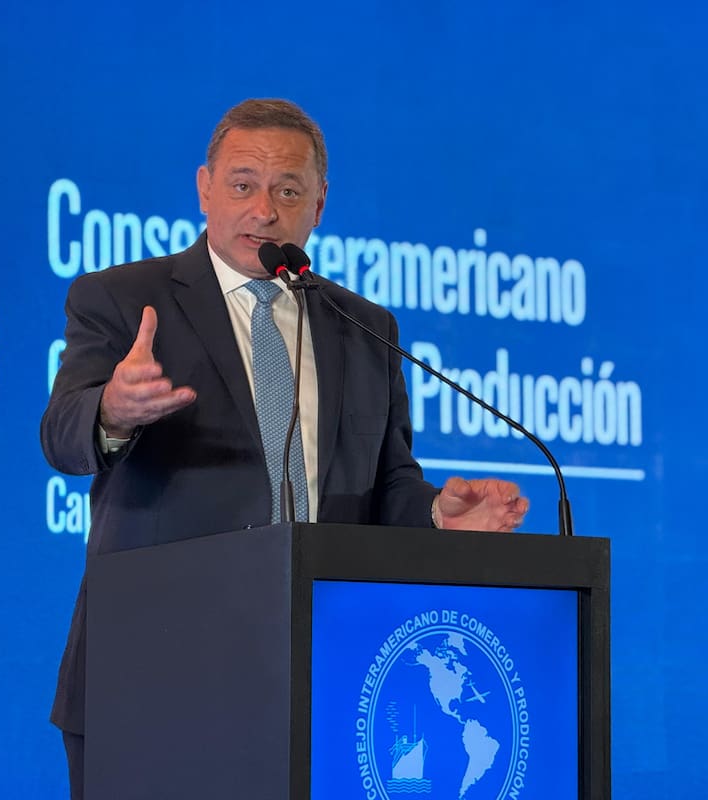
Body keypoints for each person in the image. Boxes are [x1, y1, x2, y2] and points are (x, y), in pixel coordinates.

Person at [40, 98, 530, 799]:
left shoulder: (364, 328)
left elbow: (386, 482)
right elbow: (62, 436)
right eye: (243, 185)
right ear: (205, 187)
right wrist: (112, 412)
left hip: (321, 674)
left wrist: (437, 516)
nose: (264, 211)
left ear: (319, 203)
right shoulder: (122, 298)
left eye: (288, 191)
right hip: (155, 673)